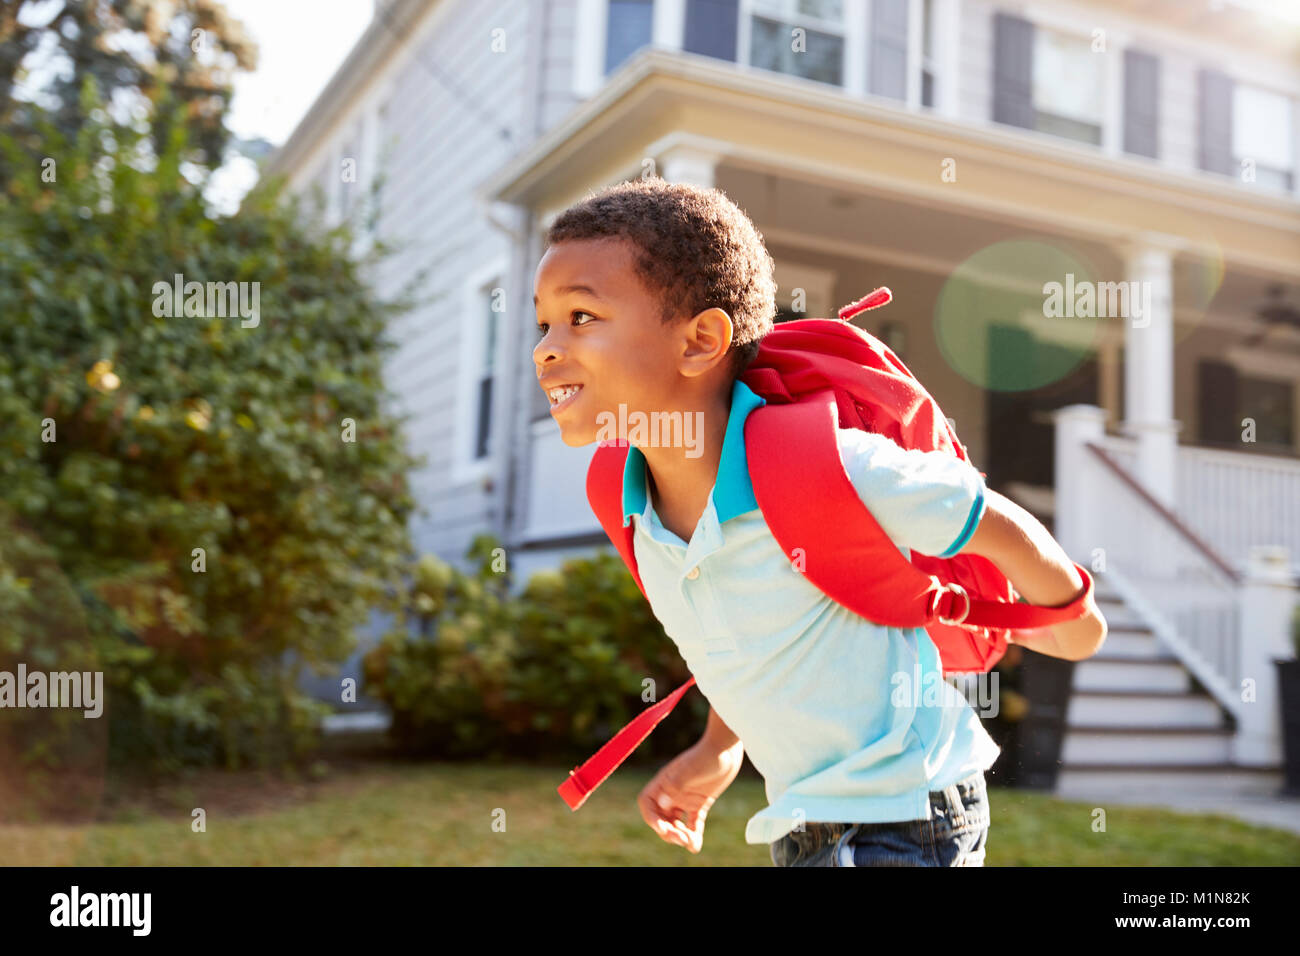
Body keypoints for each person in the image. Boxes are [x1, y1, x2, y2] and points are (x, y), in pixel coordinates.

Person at [531, 177, 1107, 866]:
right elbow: (746, 633)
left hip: (908, 814)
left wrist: (1069, 614)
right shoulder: (627, 500)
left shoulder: (827, 465)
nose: (546, 347)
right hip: (802, 824)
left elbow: (983, 514)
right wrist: (720, 747)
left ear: (699, 342)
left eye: (582, 318)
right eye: (543, 323)